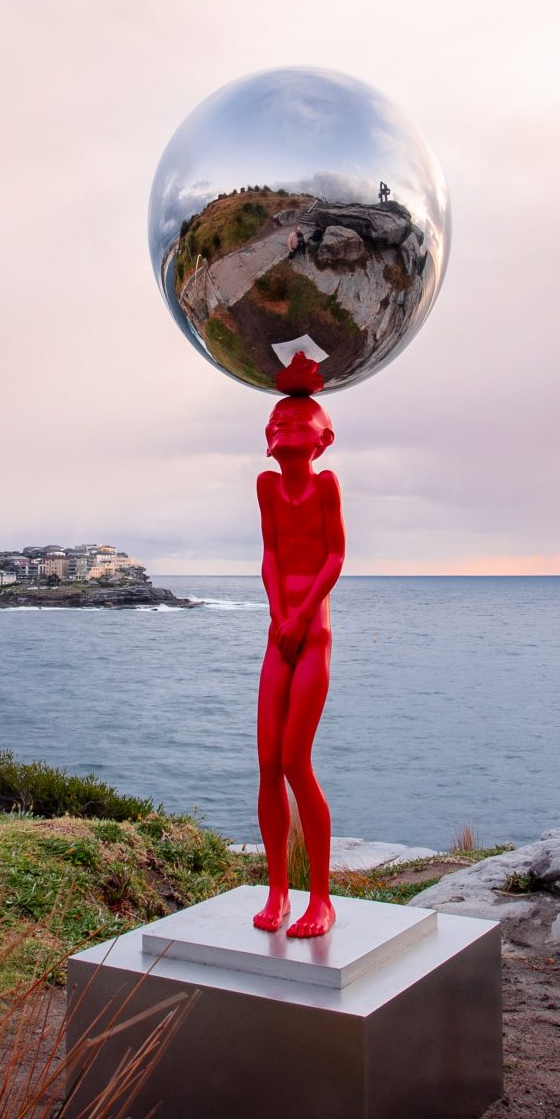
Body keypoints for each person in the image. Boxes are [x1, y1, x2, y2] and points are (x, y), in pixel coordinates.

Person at [253, 391, 346, 936]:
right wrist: (277, 615)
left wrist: (300, 617)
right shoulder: (265, 486)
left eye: (298, 417)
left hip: (312, 633)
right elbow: (269, 553)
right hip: (279, 628)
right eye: (279, 417)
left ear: (322, 439)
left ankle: (321, 900)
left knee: (295, 761)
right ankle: (278, 891)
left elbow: (334, 555)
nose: (286, 419)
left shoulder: (326, 484)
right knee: (267, 761)